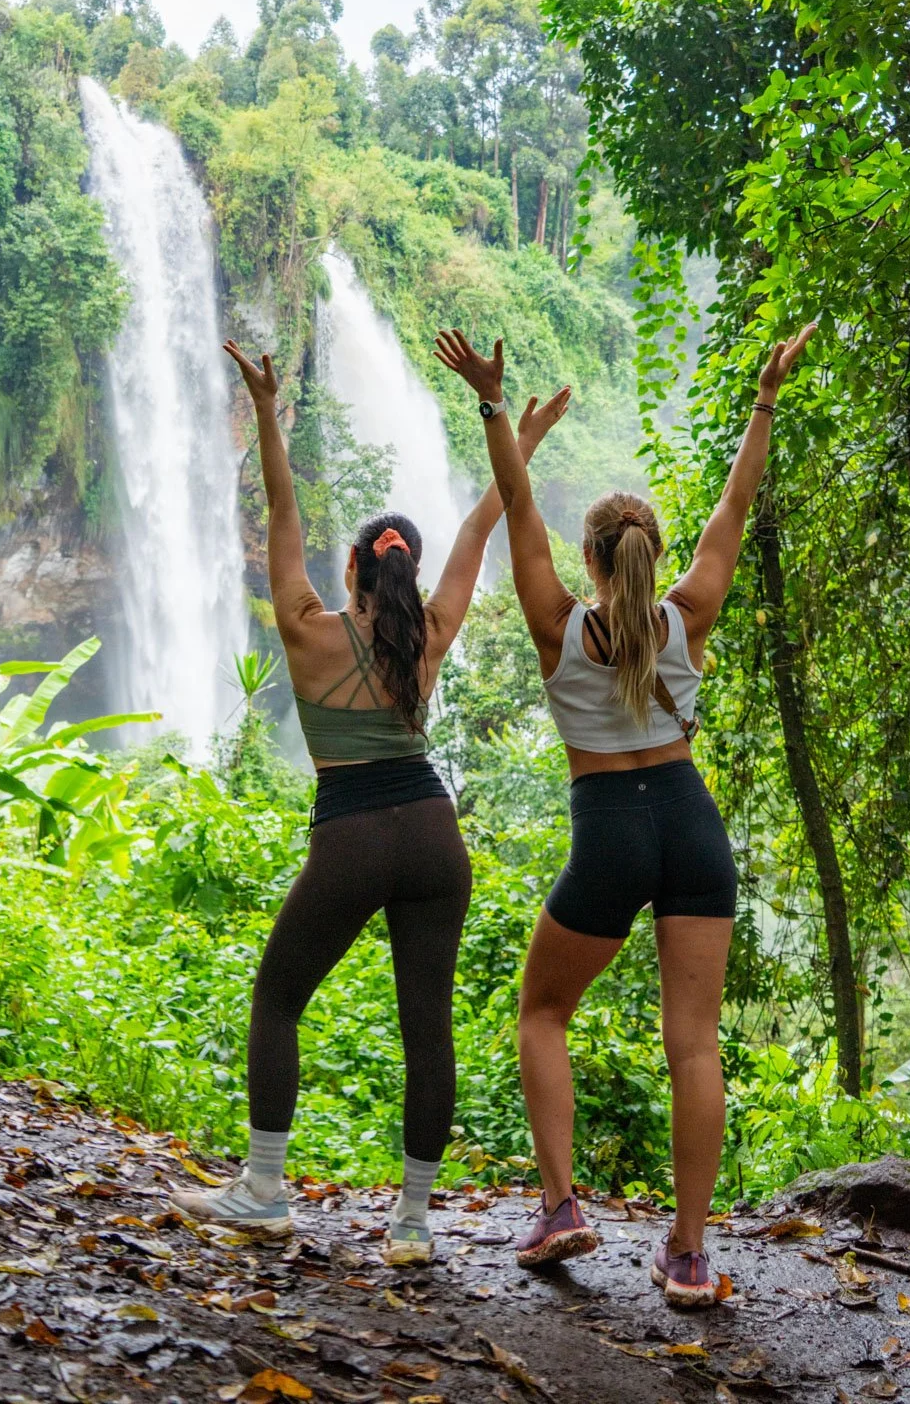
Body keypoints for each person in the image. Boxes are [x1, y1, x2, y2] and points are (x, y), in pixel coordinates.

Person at [434, 322, 816, 1306]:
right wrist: (764, 395)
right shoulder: (689, 614)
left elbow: (514, 504)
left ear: (592, 560)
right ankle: (687, 1255)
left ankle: (562, 1207)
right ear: (646, 555)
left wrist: (493, 406)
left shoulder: (558, 625)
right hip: (689, 826)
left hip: (607, 827)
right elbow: (736, 503)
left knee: (542, 1011)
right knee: (693, 1044)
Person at [172, 338, 570, 1265]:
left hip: (350, 836)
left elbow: (279, 508)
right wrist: (519, 431)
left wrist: (268, 410)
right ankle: (412, 1226)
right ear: (405, 575)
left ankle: (264, 1189)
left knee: (278, 999)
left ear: (350, 570)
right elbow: (483, 531)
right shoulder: (429, 633)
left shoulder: (307, 630)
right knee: (425, 1028)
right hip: (436, 835)